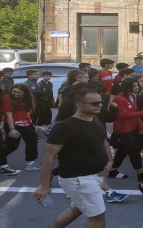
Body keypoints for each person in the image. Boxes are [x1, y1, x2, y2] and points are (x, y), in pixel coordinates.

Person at [32, 89, 114, 228]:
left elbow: (102, 139)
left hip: (92, 177)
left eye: (101, 102)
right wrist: (44, 186)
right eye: (95, 103)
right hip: (79, 179)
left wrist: (109, 160)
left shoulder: (94, 119)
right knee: (97, 218)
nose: (100, 105)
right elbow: (48, 157)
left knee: (77, 208)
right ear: (79, 105)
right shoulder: (64, 127)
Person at [108, 78, 143, 182]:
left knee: (123, 150)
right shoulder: (119, 98)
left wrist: (140, 125)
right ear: (126, 87)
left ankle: (113, 170)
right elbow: (123, 115)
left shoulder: (133, 97)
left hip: (131, 128)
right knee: (134, 150)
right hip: (122, 130)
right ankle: (141, 173)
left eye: (137, 85)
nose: (136, 87)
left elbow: (135, 112)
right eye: (134, 86)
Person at [3, 83, 40, 170]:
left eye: (19, 92)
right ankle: (2, 161)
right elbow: (8, 116)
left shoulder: (27, 98)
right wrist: (12, 129)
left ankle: (31, 162)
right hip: (14, 125)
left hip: (27, 124)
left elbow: (26, 112)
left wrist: (30, 123)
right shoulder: (7, 99)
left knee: (32, 142)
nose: (16, 94)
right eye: (14, 91)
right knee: (12, 145)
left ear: (24, 92)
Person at [0, 88, 21, 176]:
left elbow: (8, 115)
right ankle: (4, 168)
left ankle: (4, 167)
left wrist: (12, 129)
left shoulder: (4, 100)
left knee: (1, 147)